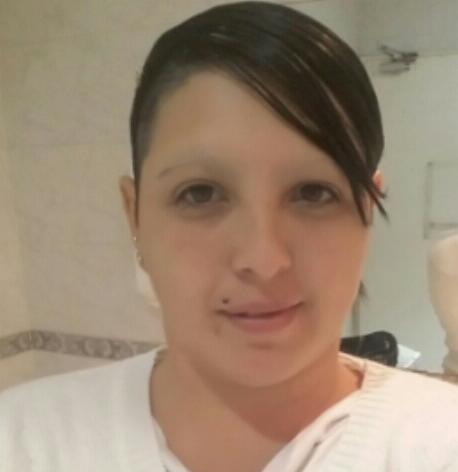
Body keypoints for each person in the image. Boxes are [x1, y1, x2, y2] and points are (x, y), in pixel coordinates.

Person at [1, 2, 458, 471]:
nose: (264, 259)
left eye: (313, 192)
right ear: (134, 215)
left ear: (367, 208)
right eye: (200, 193)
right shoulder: (20, 441)